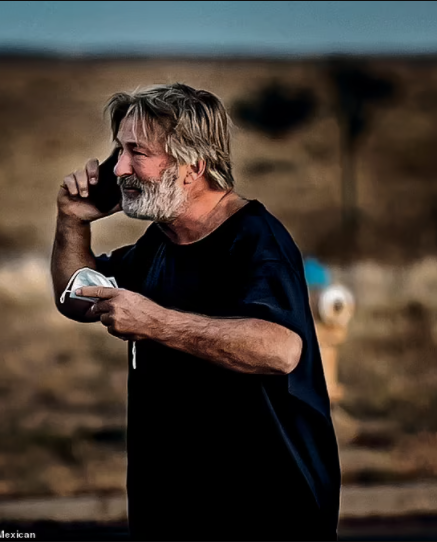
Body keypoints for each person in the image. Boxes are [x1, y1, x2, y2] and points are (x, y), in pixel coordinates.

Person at [50, 83, 341, 541]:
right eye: (118, 152)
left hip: (262, 509)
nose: (119, 168)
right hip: (173, 505)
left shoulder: (255, 241)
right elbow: (77, 297)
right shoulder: (160, 243)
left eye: (136, 152)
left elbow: (281, 349)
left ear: (193, 167)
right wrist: (72, 220)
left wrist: (156, 323)